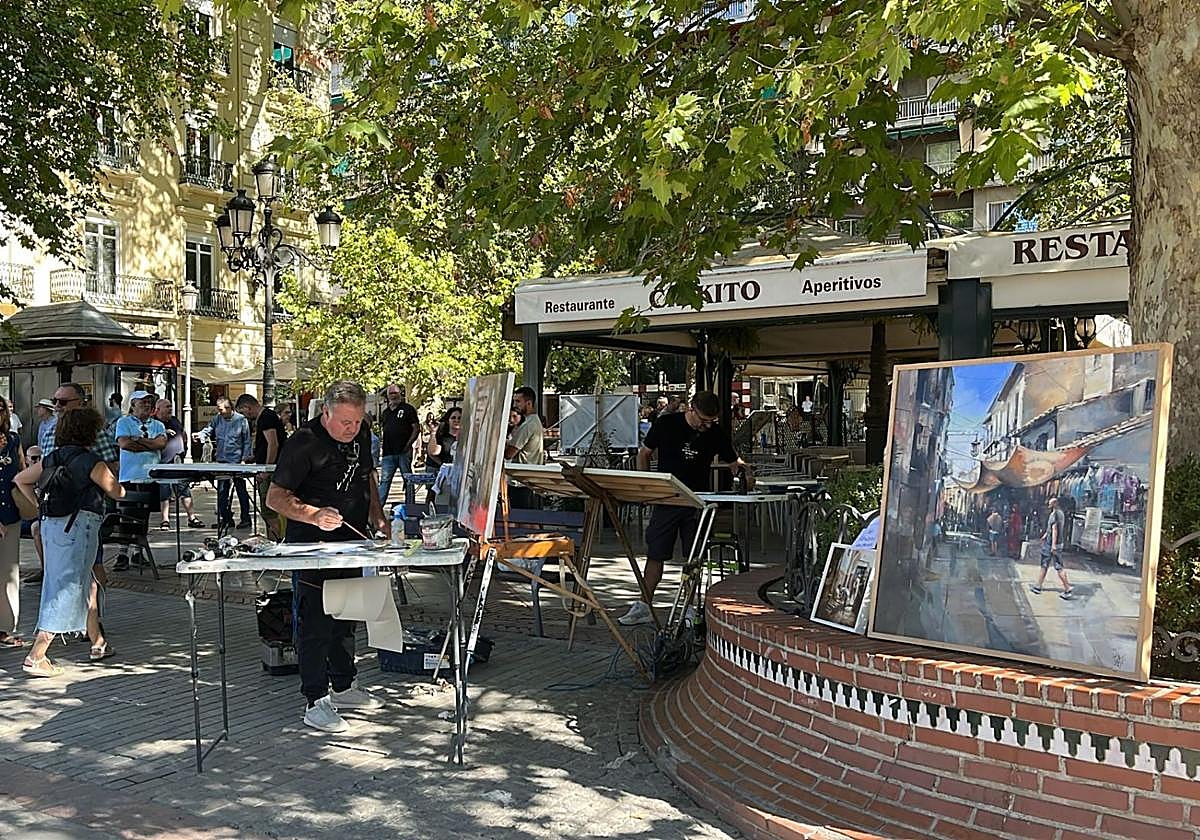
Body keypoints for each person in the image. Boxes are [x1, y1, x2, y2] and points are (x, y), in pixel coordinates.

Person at [266, 381, 388, 733]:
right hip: (312, 546)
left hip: (352, 542)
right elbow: (275, 497)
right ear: (325, 412)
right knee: (316, 622)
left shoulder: (361, 434)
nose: (352, 429)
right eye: (345, 422)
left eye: (357, 421)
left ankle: (344, 685)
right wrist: (313, 514)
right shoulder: (303, 442)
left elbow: (367, 477)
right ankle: (315, 699)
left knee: (346, 618)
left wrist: (378, 516)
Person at [620, 390, 752, 625]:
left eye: (712, 421)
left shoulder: (715, 433)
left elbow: (734, 461)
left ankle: (689, 609)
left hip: (697, 502)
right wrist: (648, 487)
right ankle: (643, 604)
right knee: (656, 553)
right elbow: (644, 453)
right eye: (704, 420)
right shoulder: (666, 424)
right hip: (668, 499)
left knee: (693, 559)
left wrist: (745, 472)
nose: (707, 426)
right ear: (691, 409)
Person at [14, 408, 123, 676]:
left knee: (85, 583)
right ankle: (37, 655)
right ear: (90, 432)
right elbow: (117, 492)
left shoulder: (53, 457)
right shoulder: (91, 461)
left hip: (52, 525)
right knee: (65, 587)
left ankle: (98, 642)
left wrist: (39, 506)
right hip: (80, 526)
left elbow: (21, 479)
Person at [196, 397, 252, 529]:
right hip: (222, 460)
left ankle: (246, 518)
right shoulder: (217, 418)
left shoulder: (241, 420)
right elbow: (208, 429)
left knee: (241, 491)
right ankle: (226, 518)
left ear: (228, 408)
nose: (219, 412)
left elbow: (246, 441)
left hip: (237, 461)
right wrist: (200, 435)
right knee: (222, 492)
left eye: (221, 409)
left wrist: (244, 459)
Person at [236, 394, 286, 539]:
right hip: (269, 467)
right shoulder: (267, 416)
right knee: (268, 511)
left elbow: (273, 444)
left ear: (247, 407)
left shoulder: (266, 418)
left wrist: (266, 471)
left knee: (269, 511)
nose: (245, 416)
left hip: (270, 471)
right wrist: (255, 457)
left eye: (243, 412)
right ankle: (274, 538)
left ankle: (275, 540)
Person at [0, 397, 26, 647]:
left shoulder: (13, 440)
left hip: (10, 514)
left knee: (9, 573)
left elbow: (22, 472)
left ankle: (5, 627)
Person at [154, 399, 203, 529]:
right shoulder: (155, 423)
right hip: (163, 463)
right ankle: (165, 520)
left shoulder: (175, 420)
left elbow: (183, 433)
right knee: (164, 492)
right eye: (167, 407)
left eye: (171, 406)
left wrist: (184, 448)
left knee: (184, 489)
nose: (170, 409)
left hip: (178, 462)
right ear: (158, 409)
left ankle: (192, 518)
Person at [376, 384, 420, 506]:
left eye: (395, 393)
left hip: (404, 451)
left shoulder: (408, 409)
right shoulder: (385, 412)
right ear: (388, 396)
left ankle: (410, 506)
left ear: (400, 394)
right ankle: (378, 509)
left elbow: (416, 428)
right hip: (388, 452)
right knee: (384, 481)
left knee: (408, 480)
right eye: (391, 393)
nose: (393, 395)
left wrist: (409, 444)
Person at [115, 391, 168, 486]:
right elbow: (125, 444)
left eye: (149, 402)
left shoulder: (158, 425)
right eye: (143, 402)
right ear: (133, 406)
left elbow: (161, 444)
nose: (147, 405)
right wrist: (152, 446)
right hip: (129, 478)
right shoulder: (123, 422)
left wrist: (138, 440)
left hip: (153, 479)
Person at [1031, 497, 1073, 600]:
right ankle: (1038, 585)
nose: (1048, 504)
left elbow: (1055, 530)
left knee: (1052, 566)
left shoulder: (1055, 514)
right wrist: (1045, 535)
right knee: (1048, 565)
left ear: (1055, 503)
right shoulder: (1060, 513)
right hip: (1057, 543)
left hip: (1051, 544)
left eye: (1050, 502)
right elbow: (1052, 528)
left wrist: (1053, 545)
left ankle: (1067, 588)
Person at [427, 407, 461, 471]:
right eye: (453, 418)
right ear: (448, 420)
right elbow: (433, 452)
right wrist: (433, 432)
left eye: (459, 418)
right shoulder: (441, 436)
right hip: (438, 470)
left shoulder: (466, 438)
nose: (456, 420)